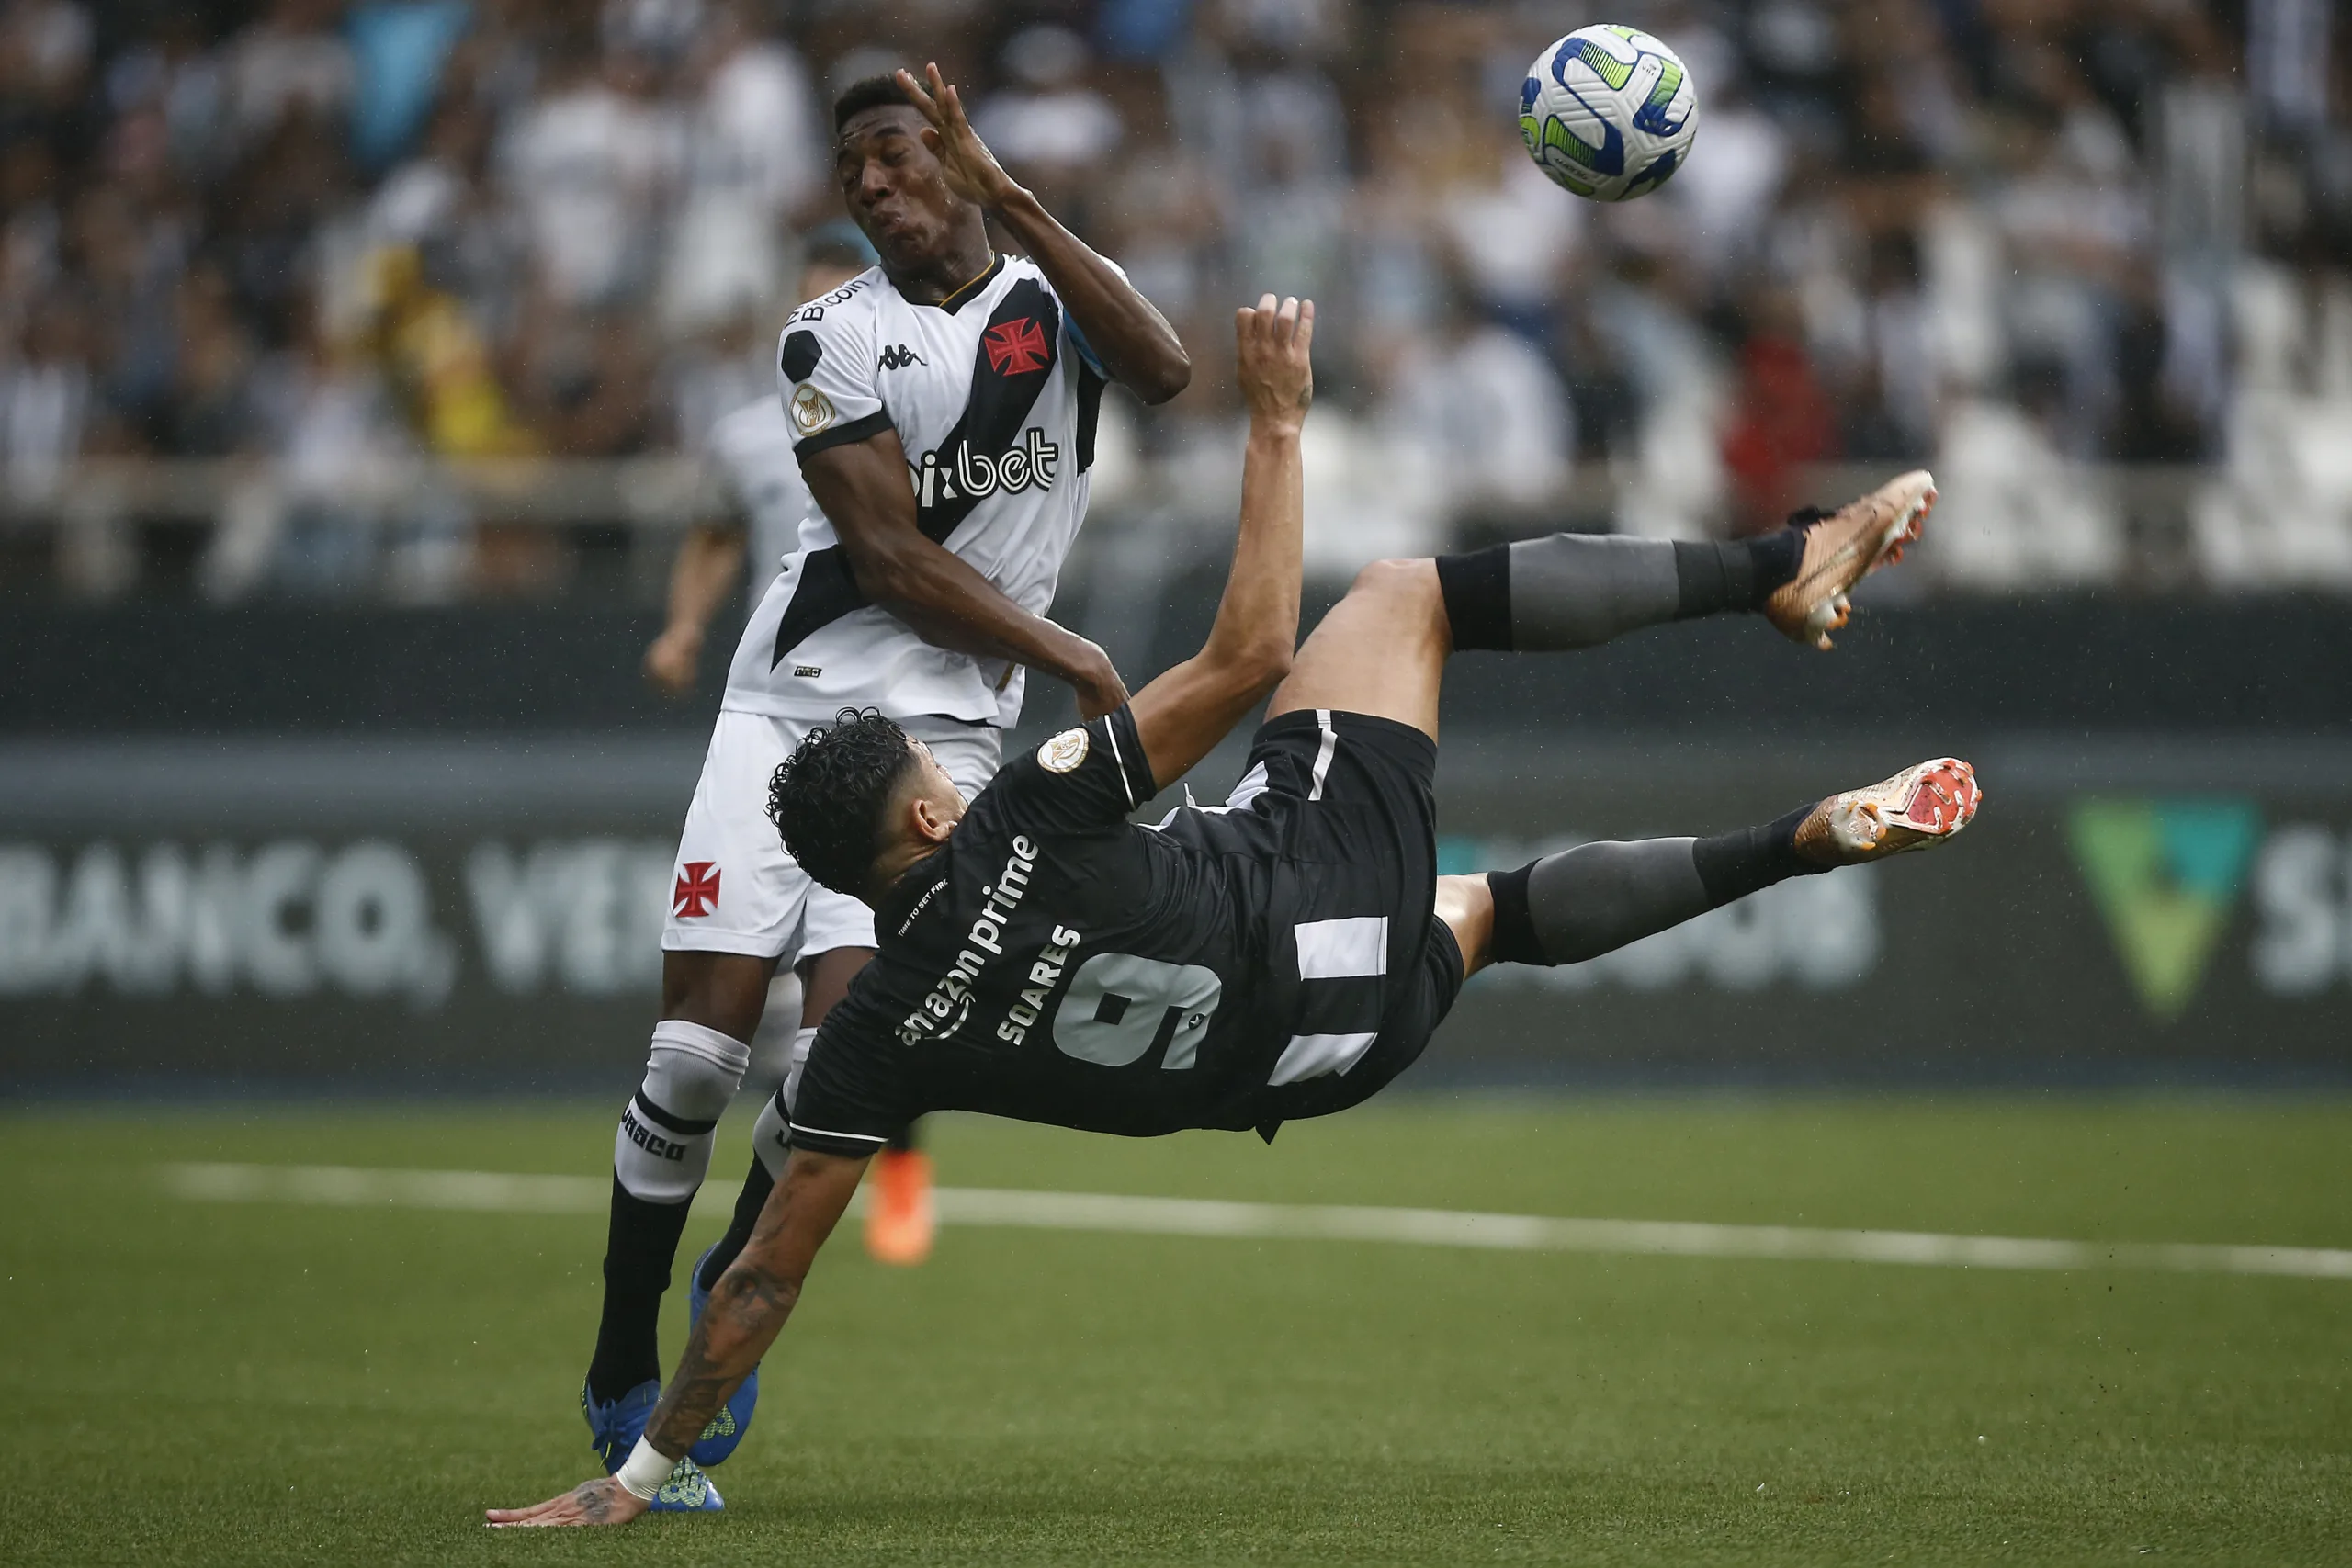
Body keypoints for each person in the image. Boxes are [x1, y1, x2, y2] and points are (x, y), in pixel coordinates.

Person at [493, 295, 1977, 1529]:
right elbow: (1258, 640)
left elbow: (761, 1273)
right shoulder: (1028, 806)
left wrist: (646, 1464)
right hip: (1315, 890)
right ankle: (1779, 567)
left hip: (1321, 1056)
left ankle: (1797, 838)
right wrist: (1277, 420)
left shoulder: (873, 1040)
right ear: (933, 808)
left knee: (1496, 909)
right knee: (1407, 597)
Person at [580, 62, 1191, 1511]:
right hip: (788, 713)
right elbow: (905, 567)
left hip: (947, 744)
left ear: (956, 161)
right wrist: (1078, 656)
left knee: (842, 1056)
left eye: (898, 155)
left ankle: (722, 1299)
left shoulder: (1051, 298)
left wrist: (1021, 202)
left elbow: (1165, 369)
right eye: (853, 166)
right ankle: (616, 1345)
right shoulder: (824, 334)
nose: (872, 183)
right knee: (692, 1059)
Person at [641, 220, 944, 1271]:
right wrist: (684, 626)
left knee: (880, 975)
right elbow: (717, 534)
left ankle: (901, 1170)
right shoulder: (742, 433)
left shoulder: (920, 409)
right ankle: (744, 1232)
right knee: (748, 1006)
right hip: (782, 705)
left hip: (898, 713)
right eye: (812, 302)